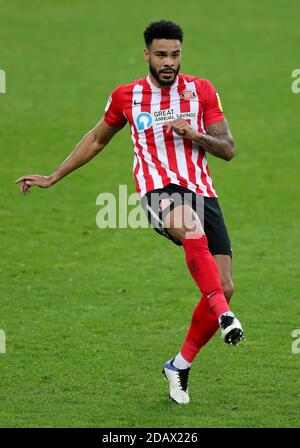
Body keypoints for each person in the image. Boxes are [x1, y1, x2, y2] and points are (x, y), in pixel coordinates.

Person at [16, 20, 244, 405]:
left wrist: (195, 134)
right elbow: (96, 140)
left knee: (224, 286)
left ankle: (179, 365)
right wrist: (54, 176)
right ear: (147, 55)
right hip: (157, 191)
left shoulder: (201, 90)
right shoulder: (127, 96)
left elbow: (228, 148)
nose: (168, 62)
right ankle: (224, 316)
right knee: (189, 227)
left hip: (203, 191)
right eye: (161, 55)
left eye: (174, 55)